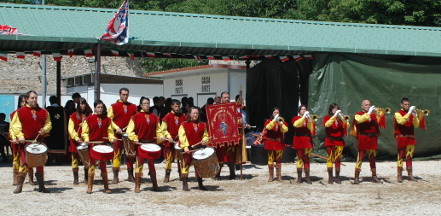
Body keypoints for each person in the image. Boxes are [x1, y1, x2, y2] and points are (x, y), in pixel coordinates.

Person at [10, 90, 52, 193]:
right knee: (24, 163)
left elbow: (48, 124)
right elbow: (16, 126)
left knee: (40, 163)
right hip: (26, 143)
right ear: (27, 99)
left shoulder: (44, 112)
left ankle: (41, 186)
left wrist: (44, 130)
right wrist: (20, 136)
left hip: (38, 142)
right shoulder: (20, 112)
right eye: (32, 98)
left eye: (35, 98)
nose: (34, 100)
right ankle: (19, 186)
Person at [126, 97, 162, 192]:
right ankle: (137, 185)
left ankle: (155, 184)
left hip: (151, 144)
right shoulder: (135, 117)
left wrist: (160, 137)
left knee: (151, 165)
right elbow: (129, 131)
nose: (146, 105)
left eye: (148, 103)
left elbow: (158, 130)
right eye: (144, 103)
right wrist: (135, 139)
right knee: (139, 164)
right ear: (141, 105)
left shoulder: (155, 117)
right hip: (140, 144)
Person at [82, 100, 117, 194]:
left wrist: (112, 138)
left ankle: (106, 187)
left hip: (103, 145)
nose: (100, 109)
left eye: (101, 107)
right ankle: (90, 187)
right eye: (98, 107)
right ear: (94, 108)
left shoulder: (107, 119)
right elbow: (85, 132)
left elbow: (110, 132)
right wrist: (86, 139)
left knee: (103, 166)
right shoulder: (89, 119)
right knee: (92, 166)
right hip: (93, 145)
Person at [108, 87, 137, 183]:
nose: (125, 96)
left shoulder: (133, 107)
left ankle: (130, 175)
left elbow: (135, 119)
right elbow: (109, 120)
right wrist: (117, 128)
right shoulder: (113, 106)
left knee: (130, 155)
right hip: (118, 134)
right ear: (120, 95)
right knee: (117, 154)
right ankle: (115, 176)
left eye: (127, 94)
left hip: (128, 135)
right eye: (123, 94)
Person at [178, 107, 210, 191]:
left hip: (198, 149)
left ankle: (200, 184)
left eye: (197, 113)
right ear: (189, 114)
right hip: (188, 148)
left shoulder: (203, 124)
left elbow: (206, 136)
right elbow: (182, 136)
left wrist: (204, 141)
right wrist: (185, 147)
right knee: (185, 165)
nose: (195, 115)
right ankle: (185, 184)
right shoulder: (184, 124)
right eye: (194, 113)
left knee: (199, 167)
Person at [352, 100, 381, 184]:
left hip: (372, 137)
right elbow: (360, 120)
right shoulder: (358, 114)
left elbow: (379, 124)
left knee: (372, 157)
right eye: (366, 105)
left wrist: (379, 115)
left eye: (369, 105)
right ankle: (356, 176)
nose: (368, 106)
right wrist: (369, 113)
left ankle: (374, 176)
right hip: (363, 137)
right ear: (362, 106)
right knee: (360, 156)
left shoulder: (373, 115)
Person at [160, 99, 187, 183]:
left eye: (178, 106)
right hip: (170, 140)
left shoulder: (183, 116)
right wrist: (168, 137)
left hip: (180, 140)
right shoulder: (167, 116)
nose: (177, 108)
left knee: (181, 158)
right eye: (175, 106)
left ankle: (181, 174)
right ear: (172, 106)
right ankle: (167, 175)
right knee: (169, 159)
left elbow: (186, 127)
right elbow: (163, 129)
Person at [394, 97, 420, 182]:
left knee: (409, 156)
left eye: (408, 104)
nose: (407, 106)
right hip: (402, 137)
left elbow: (416, 125)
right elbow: (401, 121)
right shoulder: (398, 113)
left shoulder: (411, 114)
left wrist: (415, 116)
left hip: (410, 137)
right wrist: (409, 112)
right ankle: (399, 175)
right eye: (405, 104)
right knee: (401, 156)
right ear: (401, 104)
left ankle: (410, 175)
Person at [212, 91, 237, 180]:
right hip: (219, 137)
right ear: (221, 98)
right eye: (225, 97)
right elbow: (212, 122)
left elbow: (237, 120)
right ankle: (217, 174)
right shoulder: (216, 108)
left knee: (230, 156)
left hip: (230, 136)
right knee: (220, 156)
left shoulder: (232, 108)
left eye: (228, 97)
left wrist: (240, 121)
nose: (227, 99)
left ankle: (232, 174)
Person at [322, 103, 349, 184]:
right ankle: (330, 177)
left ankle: (337, 177)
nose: (335, 110)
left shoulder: (340, 119)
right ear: (331, 110)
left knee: (338, 159)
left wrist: (342, 118)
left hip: (339, 141)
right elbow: (327, 124)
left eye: (337, 108)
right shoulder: (327, 117)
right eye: (334, 109)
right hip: (330, 140)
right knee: (330, 158)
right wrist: (334, 116)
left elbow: (347, 125)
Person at [68, 97, 92, 184]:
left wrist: (86, 125)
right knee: (75, 159)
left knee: (86, 158)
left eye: (84, 103)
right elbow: (70, 129)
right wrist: (76, 137)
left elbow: (92, 127)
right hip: (76, 140)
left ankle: (86, 177)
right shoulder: (73, 116)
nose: (83, 105)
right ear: (78, 105)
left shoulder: (89, 115)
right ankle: (76, 178)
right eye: (81, 104)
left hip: (85, 139)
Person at [10, 94, 32, 186]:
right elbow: (12, 128)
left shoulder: (31, 113)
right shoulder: (14, 114)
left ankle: (31, 177)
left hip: (27, 139)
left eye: (25, 101)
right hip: (17, 140)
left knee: (29, 158)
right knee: (16, 158)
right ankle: (16, 178)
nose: (23, 103)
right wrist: (15, 138)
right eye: (22, 101)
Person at [263, 108, 288, 182]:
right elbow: (268, 127)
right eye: (275, 112)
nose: (276, 114)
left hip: (279, 142)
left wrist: (281, 123)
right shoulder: (268, 121)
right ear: (272, 114)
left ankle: (278, 176)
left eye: (278, 112)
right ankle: (271, 176)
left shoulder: (282, 122)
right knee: (270, 158)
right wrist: (274, 120)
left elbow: (286, 129)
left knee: (279, 159)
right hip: (271, 142)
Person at [292, 104, 315, 184]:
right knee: (300, 158)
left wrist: (309, 120)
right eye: (302, 109)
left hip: (307, 140)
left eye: (305, 109)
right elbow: (296, 125)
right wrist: (303, 117)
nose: (304, 110)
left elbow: (311, 129)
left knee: (307, 159)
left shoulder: (308, 119)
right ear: (299, 111)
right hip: (299, 140)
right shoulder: (296, 118)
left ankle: (307, 177)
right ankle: (299, 177)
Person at [45, 96, 66, 164]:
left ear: (50, 101)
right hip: (60, 131)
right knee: (59, 145)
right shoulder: (62, 110)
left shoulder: (48, 109)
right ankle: (59, 160)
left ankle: (50, 160)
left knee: (51, 145)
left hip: (51, 131)